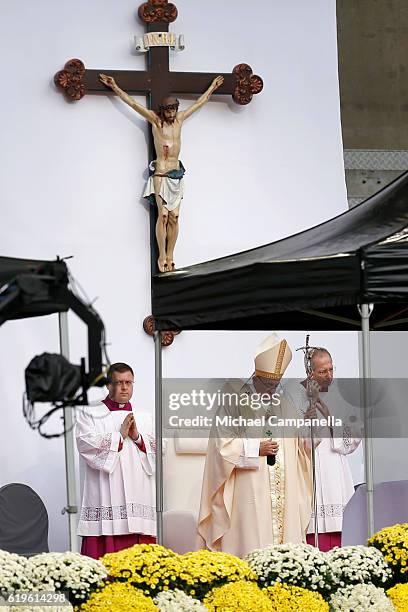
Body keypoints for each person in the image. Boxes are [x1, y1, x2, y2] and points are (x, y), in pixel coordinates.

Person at [198, 334, 313, 558]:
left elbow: (300, 446)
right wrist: (254, 449)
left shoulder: (285, 404)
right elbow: (221, 446)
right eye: (268, 384)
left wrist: (307, 428)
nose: (272, 389)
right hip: (249, 488)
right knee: (252, 542)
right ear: (256, 377)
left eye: (276, 384)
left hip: (284, 490)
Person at [99, 73, 224, 273]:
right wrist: (115, 87)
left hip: (176, 175)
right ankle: (162, 256)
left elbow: (200, 103)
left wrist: (212, 88)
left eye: (174, 109)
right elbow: (133, 104)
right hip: (160, 175)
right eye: (169, 110)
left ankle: (171, 255)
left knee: (175, 217)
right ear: (163, 111)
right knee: (163, 216)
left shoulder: (180, 119)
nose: (172, 113)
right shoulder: (156, 122)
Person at [76, 362, 156, 558]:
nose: (124, 387)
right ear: (108, 385)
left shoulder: (145, 417)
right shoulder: (90, 413)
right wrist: (118, 436)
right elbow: (85, 443)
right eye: (119, 382)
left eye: (128, 382)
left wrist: (137, 437)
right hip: (106, 493)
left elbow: (159, 449)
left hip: (139, 493)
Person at [285, 347, 361, 551]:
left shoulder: (340, 395)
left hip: (334, 467)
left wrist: (328, 415)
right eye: (322, 371)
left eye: (331, 369)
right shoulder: (294, 394)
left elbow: (352, 436)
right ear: (310, 372)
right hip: (307, 465)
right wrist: (304, 422)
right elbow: (288, 432)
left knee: (338, 529)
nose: (329, 375)